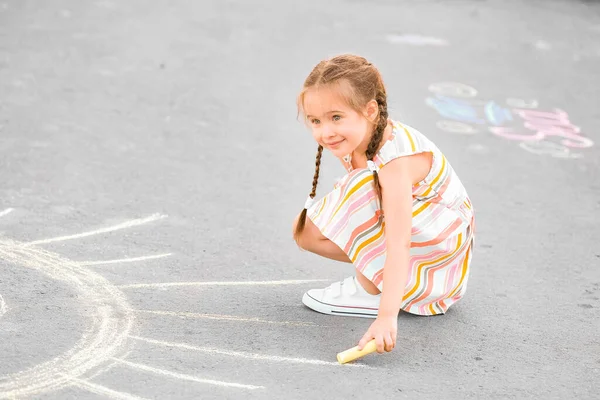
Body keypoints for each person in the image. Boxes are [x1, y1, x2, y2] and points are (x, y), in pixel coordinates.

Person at [292, 54, 475, 355]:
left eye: (336, 117)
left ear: (370, 111)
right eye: (316, 121)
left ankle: (372, 292)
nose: (325, 132)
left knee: (357, 193)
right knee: (307, 233)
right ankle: (378, 282)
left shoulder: (395, 162)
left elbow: (399, 242)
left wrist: (387, 318)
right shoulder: (356, 141)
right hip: (422, 241)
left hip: (439, 258)